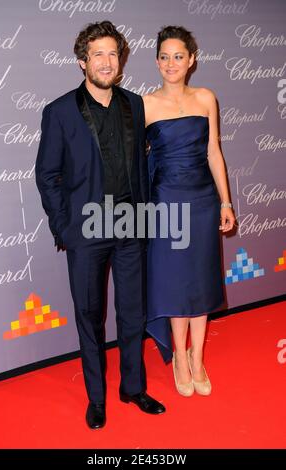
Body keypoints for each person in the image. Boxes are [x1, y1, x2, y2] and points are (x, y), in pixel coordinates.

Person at [35, 20, 165, 429]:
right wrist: (65, 228)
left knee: (132, 312)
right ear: (82, 62)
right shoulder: (58, 112)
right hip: (86, 232)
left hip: (131, 226)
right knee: (89, 316)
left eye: (113, 53)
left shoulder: (135, 104)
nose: (106, 62)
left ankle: (133, 387)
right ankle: (97, 397)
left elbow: (144, 165)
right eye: (98, 55)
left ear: (120, 60)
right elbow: (47, 175)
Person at [143, 26, 235, 397]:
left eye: (178, 56)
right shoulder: (145, 104)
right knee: (175, 282)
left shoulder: (206, 97)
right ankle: (179, 358)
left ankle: (198, 358)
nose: (171, 63)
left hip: (202, 201)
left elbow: (214, 151)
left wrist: (226, 202)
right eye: (164, 56)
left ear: (192, 59)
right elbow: (138, 160)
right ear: (156, 62)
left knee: (201, 279)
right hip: (166, 203)